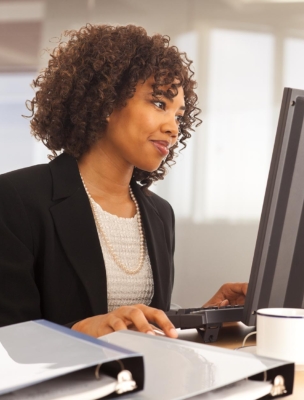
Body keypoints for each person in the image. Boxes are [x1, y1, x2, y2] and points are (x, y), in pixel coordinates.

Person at [0, 24, 247, 338]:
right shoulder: (16, 199)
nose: (174, 128)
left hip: (141, 385)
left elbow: (145, 331)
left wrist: (205, 318)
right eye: (159, 104)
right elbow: (6, 340)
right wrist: (80, 332)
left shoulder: (159, 214)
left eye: (179, 115)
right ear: (105, 101)